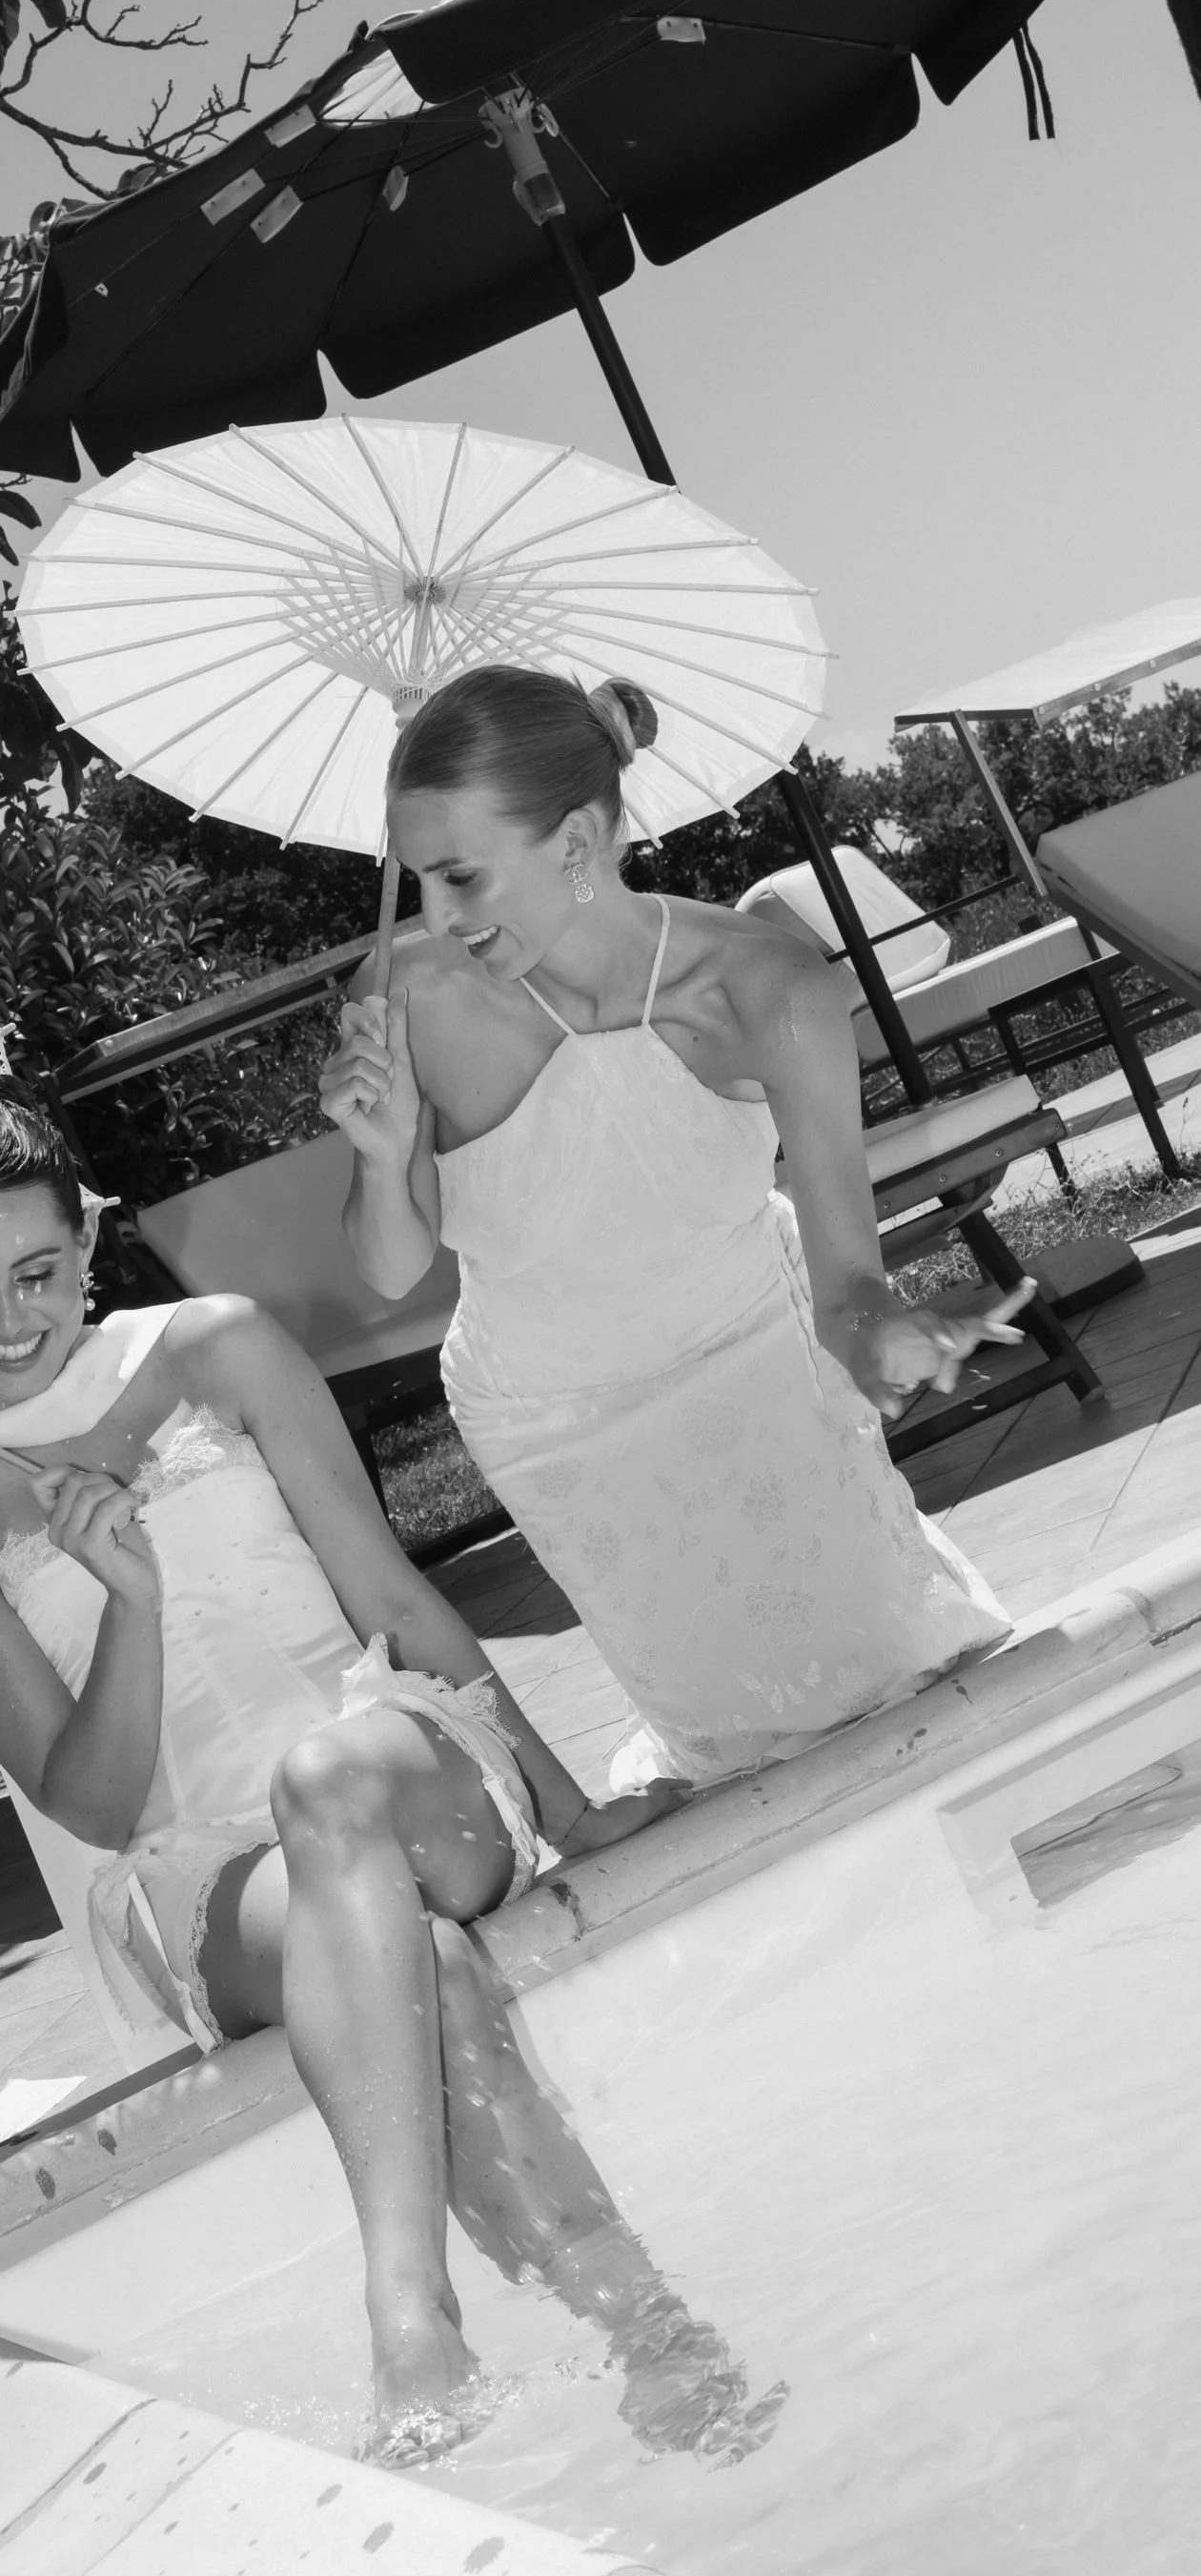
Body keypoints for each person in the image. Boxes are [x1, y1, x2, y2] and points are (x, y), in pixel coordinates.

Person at [0, 1082, 767, 2465]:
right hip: (207, 1879)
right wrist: (131, 1603)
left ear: (89, 1234)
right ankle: (653, 2328)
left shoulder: (216, 1348)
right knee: (430, 1970)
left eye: (38, 1269)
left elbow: (386, 1593)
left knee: (326, 1776)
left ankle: (408, 2313)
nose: (7, 1314)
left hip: (395, 1760)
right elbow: (99, 1805)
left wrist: (571, 1806)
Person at [321, 667, 1017, 1785]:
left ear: (580, 839)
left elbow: (847, 1286)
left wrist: (884, 1336)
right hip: (553, 1418)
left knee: (892, 1670)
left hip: (758, 1352)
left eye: (460, 875)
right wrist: (375, 1150)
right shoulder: (408, 995)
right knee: (732, 1748)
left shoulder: (769, 989)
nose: (440, 916)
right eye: (420, 881)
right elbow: (392, 1266)